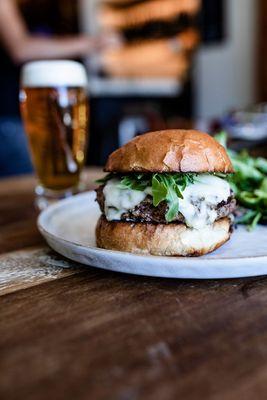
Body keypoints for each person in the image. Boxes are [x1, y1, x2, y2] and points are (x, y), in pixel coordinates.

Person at [0, 0, 103, 176]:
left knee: (62, 175)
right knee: (31, 183)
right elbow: (21, 49)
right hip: (11, 117)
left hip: (48, 110)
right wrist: (93, 43)